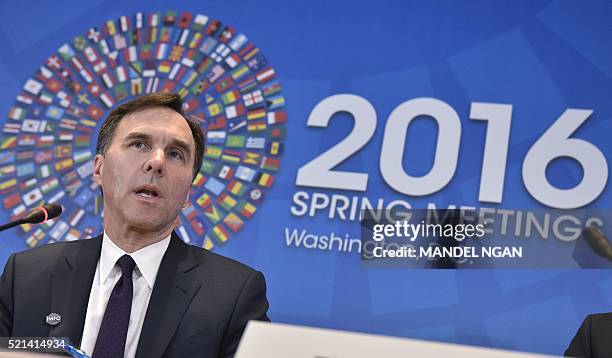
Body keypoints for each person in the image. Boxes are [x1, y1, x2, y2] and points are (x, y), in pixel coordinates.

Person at [0, 93, 270, 358]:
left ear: (188, 192)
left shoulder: (233, 294)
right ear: (99, 169)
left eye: (176, 154)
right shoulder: (26, 276)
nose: (156, 162)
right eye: (140, 144)